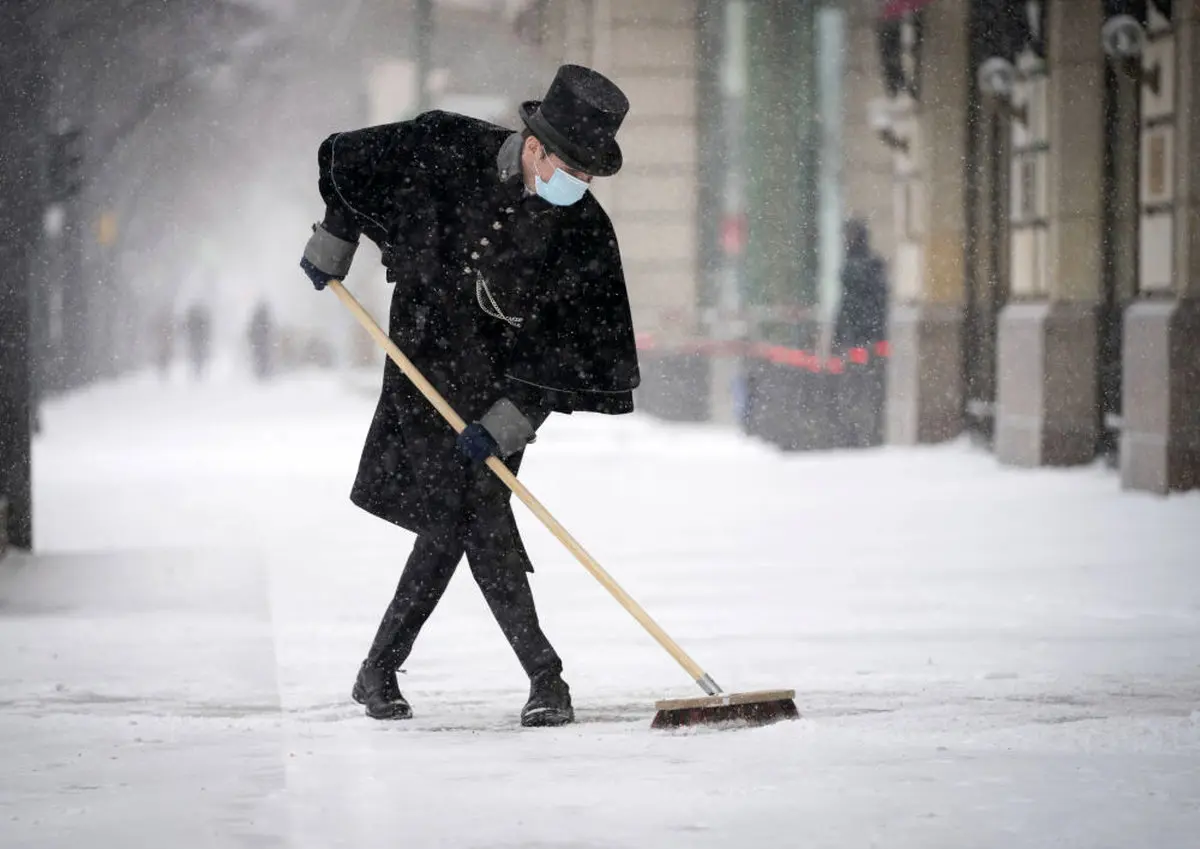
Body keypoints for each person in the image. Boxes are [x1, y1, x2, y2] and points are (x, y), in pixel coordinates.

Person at [299, 65, 640, 727]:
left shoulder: (582, 232)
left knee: (464, 515)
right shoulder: (445, 147)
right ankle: (545, 676)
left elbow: (565, 348)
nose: (579, 186)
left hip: (498, 388)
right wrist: (333, 239)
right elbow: (359, 169)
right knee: (470, 515)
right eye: (572, 169)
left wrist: (511, 419)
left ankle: (381, 670)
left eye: (590, 177)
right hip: (423, 358)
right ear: (535, 145)